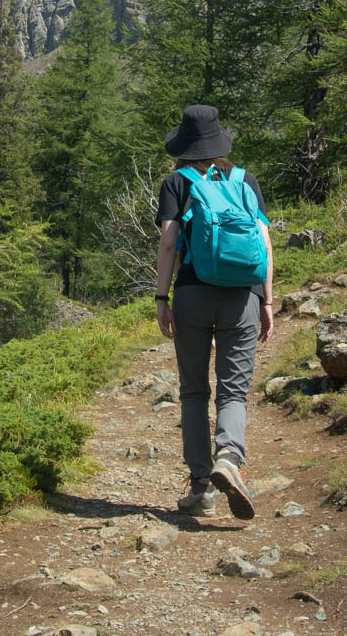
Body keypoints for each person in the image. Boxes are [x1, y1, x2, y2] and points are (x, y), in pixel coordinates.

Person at [154, 105, 274, 521]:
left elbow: (169, 244)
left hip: (192, 294)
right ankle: (229, 458)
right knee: (234, 390)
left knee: (193, 391)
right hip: (242, 297)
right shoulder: (244, 181)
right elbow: (264, 242)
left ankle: (201, 488)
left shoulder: (177, 182)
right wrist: (268, 300)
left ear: (185, 148)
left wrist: (161, 299)